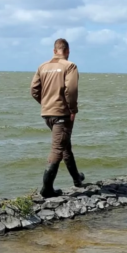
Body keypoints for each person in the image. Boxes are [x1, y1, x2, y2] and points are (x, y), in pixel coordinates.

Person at [30, 38, 85, 198]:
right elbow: (71, 90)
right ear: (67, 51)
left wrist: (46, 103)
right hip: (62, 113)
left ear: (54, 51)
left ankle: (77, 178)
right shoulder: (70, 66)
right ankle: (47, 189)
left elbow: (34, 90)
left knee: (64, 144)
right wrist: (72, 109)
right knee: (57, 149)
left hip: (47, 113)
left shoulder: (43, 66)